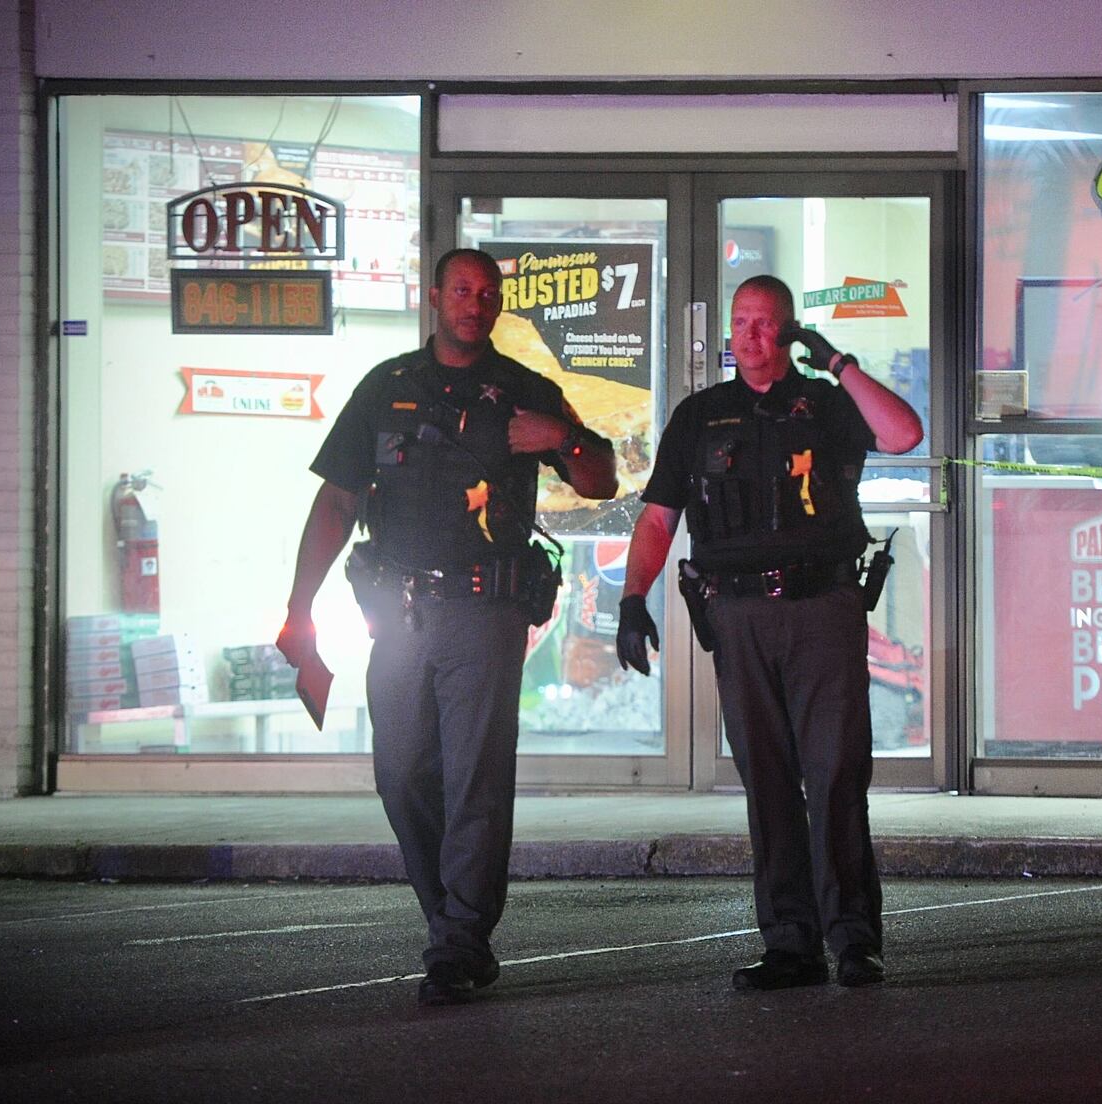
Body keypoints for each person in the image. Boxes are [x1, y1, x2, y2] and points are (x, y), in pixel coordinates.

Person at [276, 247, 618, 1007]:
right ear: (434, 297)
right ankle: (450, 921)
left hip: (484, 611)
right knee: (401, 774)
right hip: (397, 613)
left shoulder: (526, 392)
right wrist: (299, 606)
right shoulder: (387, 388)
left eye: (489, 292)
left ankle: (459, 940)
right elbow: (336, 502)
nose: (476, 302)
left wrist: (559, 438)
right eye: (462, 289)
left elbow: (602, 479)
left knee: (475, 779)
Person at [615, 275, 923, 990]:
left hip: (822, 608)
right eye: (741, 322)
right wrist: (634, 598)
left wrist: (837, 362)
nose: (751, 336)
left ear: (787, 332)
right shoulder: (702, 416)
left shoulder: (827, 405)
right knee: (770, 782)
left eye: (766, 324)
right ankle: (791, 942)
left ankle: (853, 940)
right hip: (739, 615)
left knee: (837, 772)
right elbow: (660, 517)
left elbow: (904, 433)